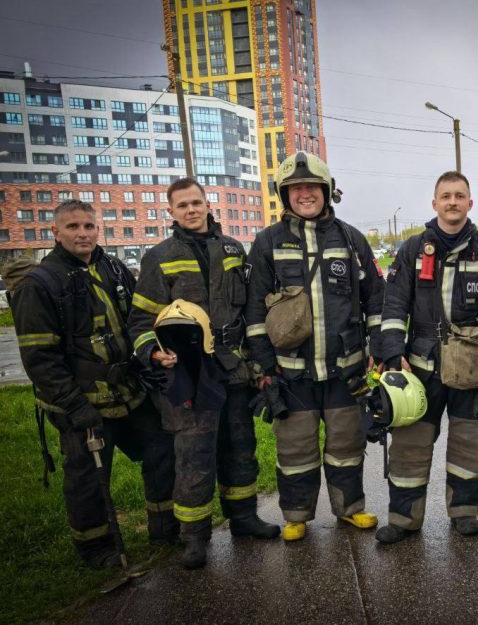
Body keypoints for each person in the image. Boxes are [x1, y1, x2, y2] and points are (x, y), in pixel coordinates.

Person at [9, 200, 176, 568]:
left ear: (97, 229)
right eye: (73, 227)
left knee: (161, 448)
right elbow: (40, 360)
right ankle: (96, 548)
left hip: (129, 392)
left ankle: (166, 529)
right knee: (89, 477)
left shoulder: (114, 268)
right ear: (55, 232)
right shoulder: (40, 285)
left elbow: (137, 321)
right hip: (80, 402)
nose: (82, 233)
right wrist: (75, 406)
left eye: (88, 226)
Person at [128, 177, 278, 569]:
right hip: (189, 372)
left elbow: (249, 310)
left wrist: (256, 363)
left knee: (239, 445)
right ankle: (194, 537)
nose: (191, 210)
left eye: (196, 202)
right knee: (194, 456)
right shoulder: (159, 256)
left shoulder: (232, 249)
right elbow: (140, 321)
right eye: (183, 205)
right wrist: (153, 353)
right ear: (171, 211)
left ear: (207, 204)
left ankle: (243, 517)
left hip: (233, 367)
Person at [245, 152, 385, 542]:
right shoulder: (267, 243)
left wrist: (378, 348)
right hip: (291, 374)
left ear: (326, 191)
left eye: (312, 187)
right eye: (296, 188)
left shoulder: (351, 239)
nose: (304, 194)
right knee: (295, 452)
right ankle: (296, 516)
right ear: (284, 195)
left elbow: (376, 299)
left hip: (346, 370)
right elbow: (254, 310)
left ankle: (349, 508)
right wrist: (265, 366)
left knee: (346, 446)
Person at [376, 170, 478, 544]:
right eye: (446, 196)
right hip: (420, 369)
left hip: (473, 370)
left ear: (470, 203)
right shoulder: (413, 250)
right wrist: (392, 352)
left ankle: (464, 514)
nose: (453, 202)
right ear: (434, 203)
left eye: (459, 196)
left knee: (469, 444)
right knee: (409, 447)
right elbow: (393, 305)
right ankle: (403, 519)